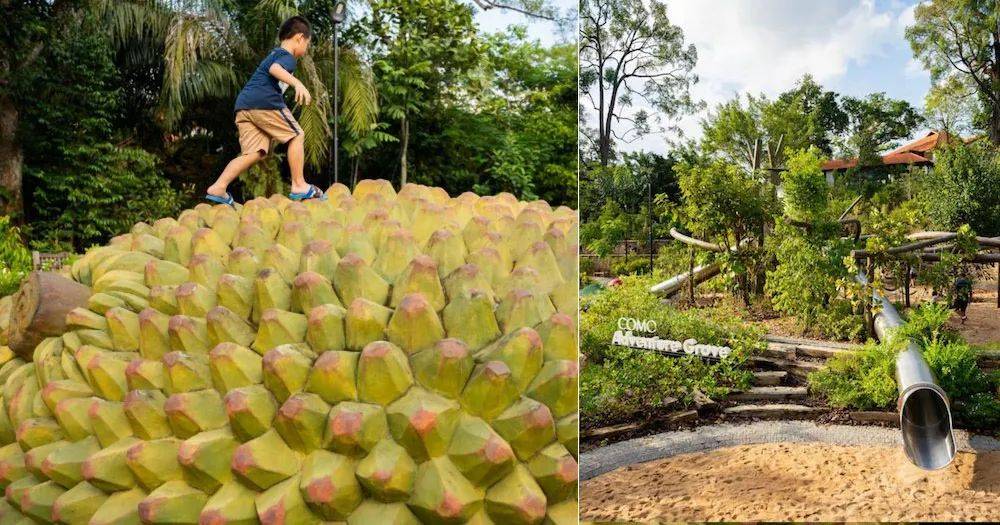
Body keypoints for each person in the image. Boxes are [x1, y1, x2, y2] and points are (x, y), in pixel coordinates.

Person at [205, 15, 324, 205]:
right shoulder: (287, 56)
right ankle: (299, 184)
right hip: (263, 102)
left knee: (255, 153)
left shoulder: (275, 53)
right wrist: (298, 84)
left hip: (244, 106)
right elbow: (275, 69)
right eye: (307, 44)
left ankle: (218, 187)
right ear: (299, 38)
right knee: (296, 135)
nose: (306, 49)